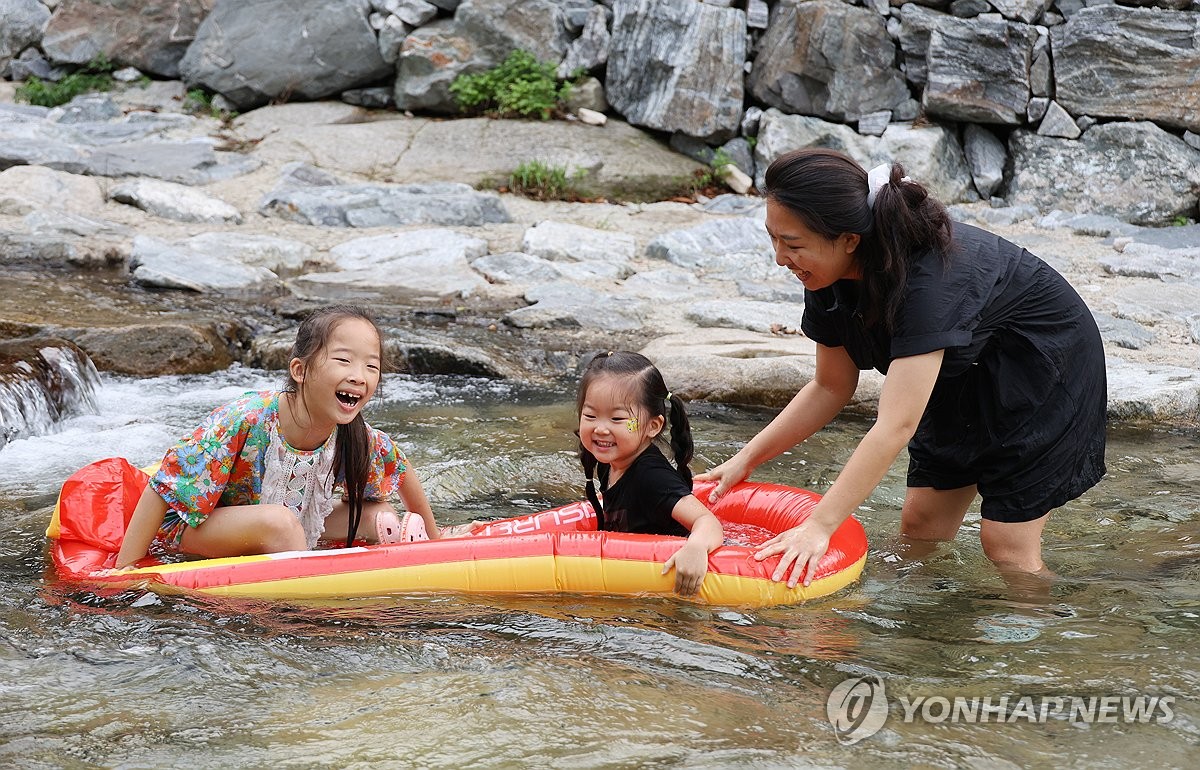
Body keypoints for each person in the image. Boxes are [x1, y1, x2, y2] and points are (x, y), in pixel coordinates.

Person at [697, 148, 1107, 587]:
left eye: (793, 244)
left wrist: (819, 527)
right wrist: (744, 460)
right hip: (961, 373)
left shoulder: (928, 283)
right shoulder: (825, 274)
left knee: (1005, 546)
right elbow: (830, 387)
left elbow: (895, 426)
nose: (780, 257)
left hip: (1043, 372)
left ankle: (1046, 637)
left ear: (849, 238)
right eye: (773, 239)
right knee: (920, 527)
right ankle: (924, 635)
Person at [114, 304, 440, 568]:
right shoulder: (246, 418)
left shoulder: (352, 433)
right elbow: (164, 484)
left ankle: (400, 547)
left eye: (371, 366)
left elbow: (399, 466)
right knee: (280, 524)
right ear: (300, 371)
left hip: (290, 520)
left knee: (377, 515)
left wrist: (436, 540)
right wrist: (126, 569)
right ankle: (303, 602)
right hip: (197, 529)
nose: (359, 377)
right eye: (343, 360)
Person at [576, 351, 724, 597]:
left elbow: (707, 521)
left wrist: (696, 547)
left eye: (617, 418)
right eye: (590, 415)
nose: (600, 428)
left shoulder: (651, 476)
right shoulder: (609, 459)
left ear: (653, 426)